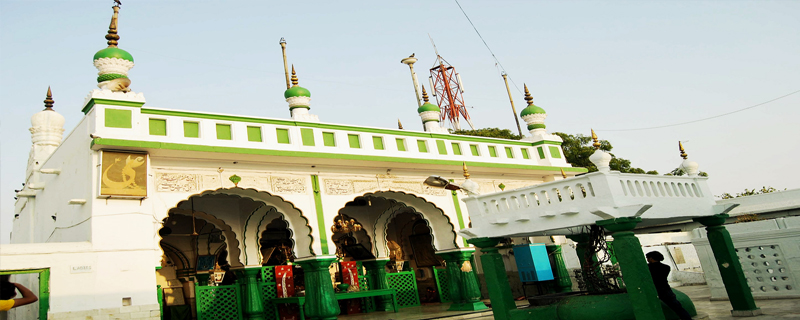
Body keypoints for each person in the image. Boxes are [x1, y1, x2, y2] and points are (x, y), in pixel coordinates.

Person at [646, 251, 693, 320]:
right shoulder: (666, 267)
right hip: (665, 289)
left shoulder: (648, 268)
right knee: (678, 308)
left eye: (647, 258)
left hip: (653, 290)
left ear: (651, 258)